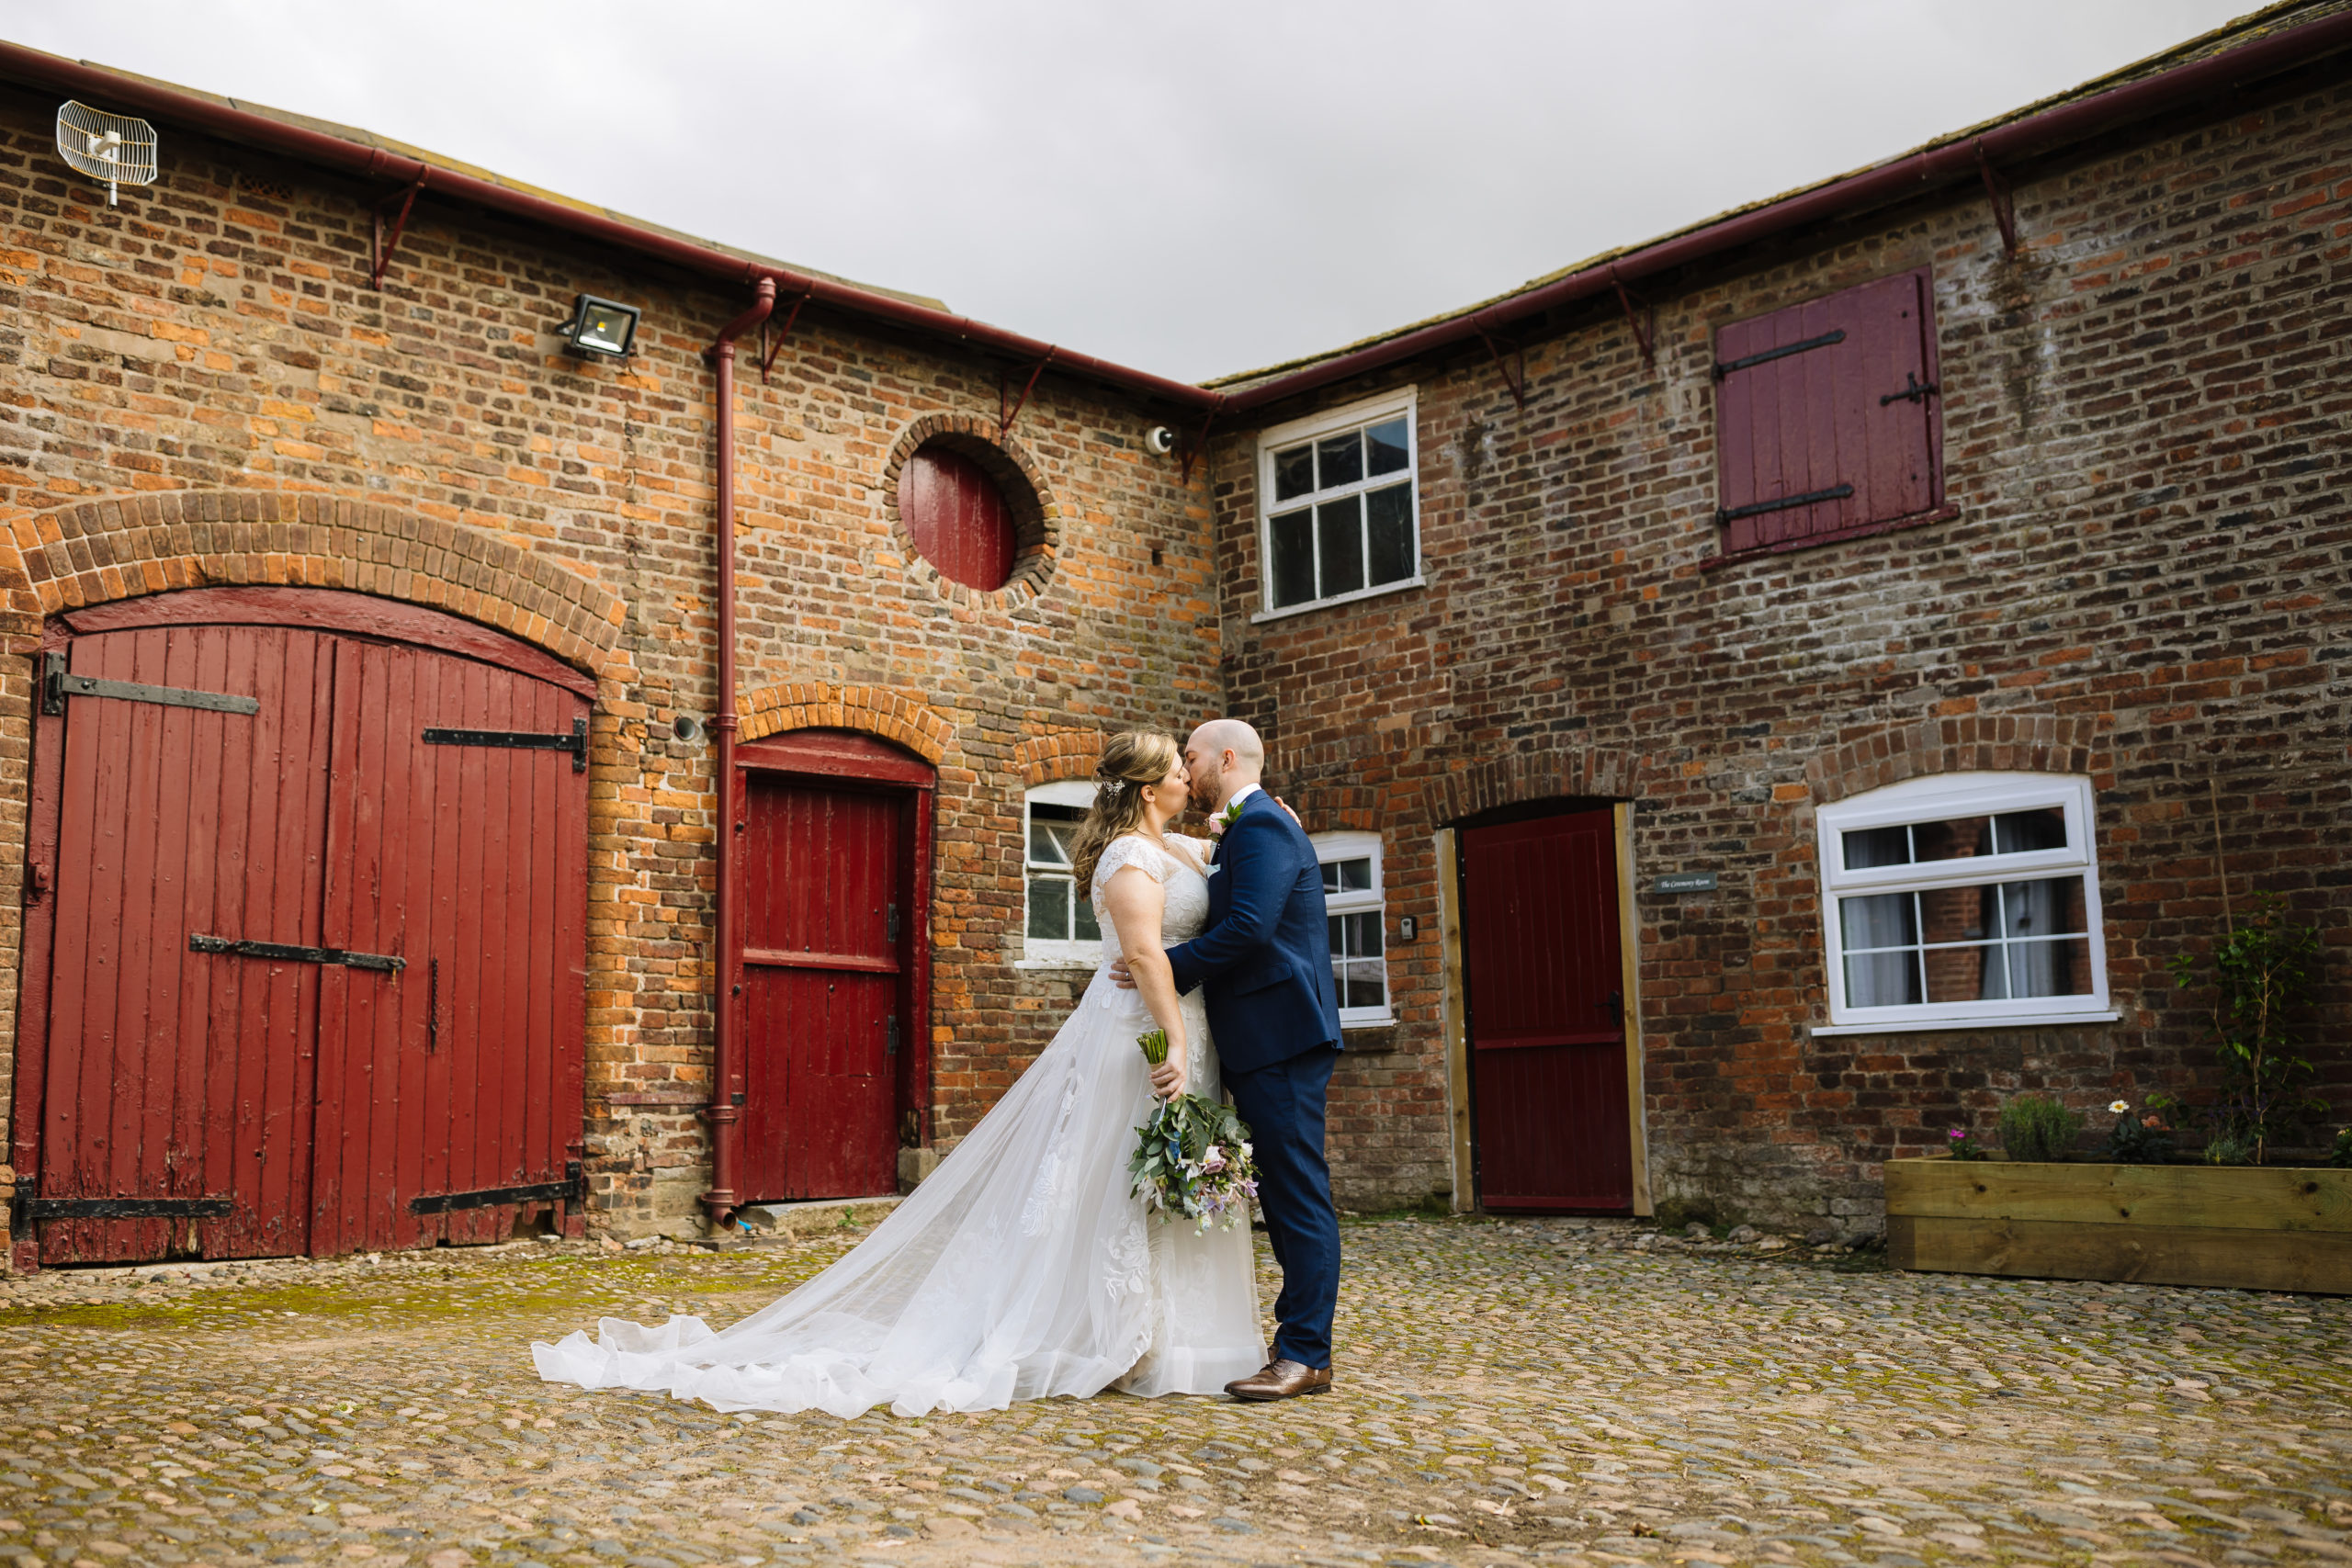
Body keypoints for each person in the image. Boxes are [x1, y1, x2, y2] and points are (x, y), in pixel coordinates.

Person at [530, 729, 1262, 1417]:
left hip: (1181, 1027)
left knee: (1154, 1172)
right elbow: (1142, 956)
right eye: (1172, 764)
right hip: (1142, 1029)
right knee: (1116, 1174)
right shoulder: (1129, 859)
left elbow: (1222, 844)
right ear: (1144, 787)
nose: (1183, 773)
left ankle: (1166, 1335)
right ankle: (1116, 1334)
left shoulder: (1168, 845)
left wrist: (1257, 815)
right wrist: (1171, 1037)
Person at [1114, 717, 1344, 1401]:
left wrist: (1163, 965)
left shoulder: (1265, 825)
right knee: (1279, 1192)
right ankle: (1298, 1345)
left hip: (1283, 1039)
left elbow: (1249, 926)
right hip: (1257, 1041)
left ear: (1228, 757)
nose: (1186, 768)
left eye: (1192, 756)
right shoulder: (1248, 828)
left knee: (1298, 1194)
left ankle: (1305, 1353)